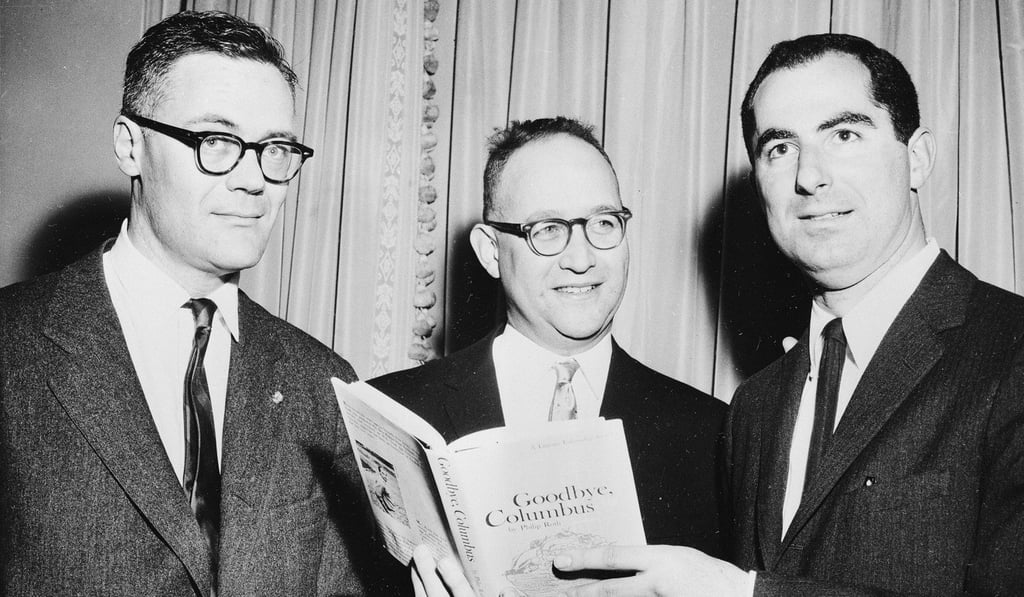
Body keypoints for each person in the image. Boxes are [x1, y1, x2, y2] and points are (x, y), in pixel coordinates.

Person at [547, 33, 1024, 596]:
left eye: (844, 135)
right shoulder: (755, 406)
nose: (809, 177)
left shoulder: (1011, 350)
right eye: (780, 148)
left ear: (917, 158)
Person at [0, 11, 370, 596]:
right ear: (131, 146)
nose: (254, 179)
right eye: (216, 141)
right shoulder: (11, 345)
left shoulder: (322, 384)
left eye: (274, 148)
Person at [368, 117, 727, 593]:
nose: (581, 258)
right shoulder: (389, 415)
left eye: (603, 223)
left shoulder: (712, 433)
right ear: (491, 251)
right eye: (548, 229)